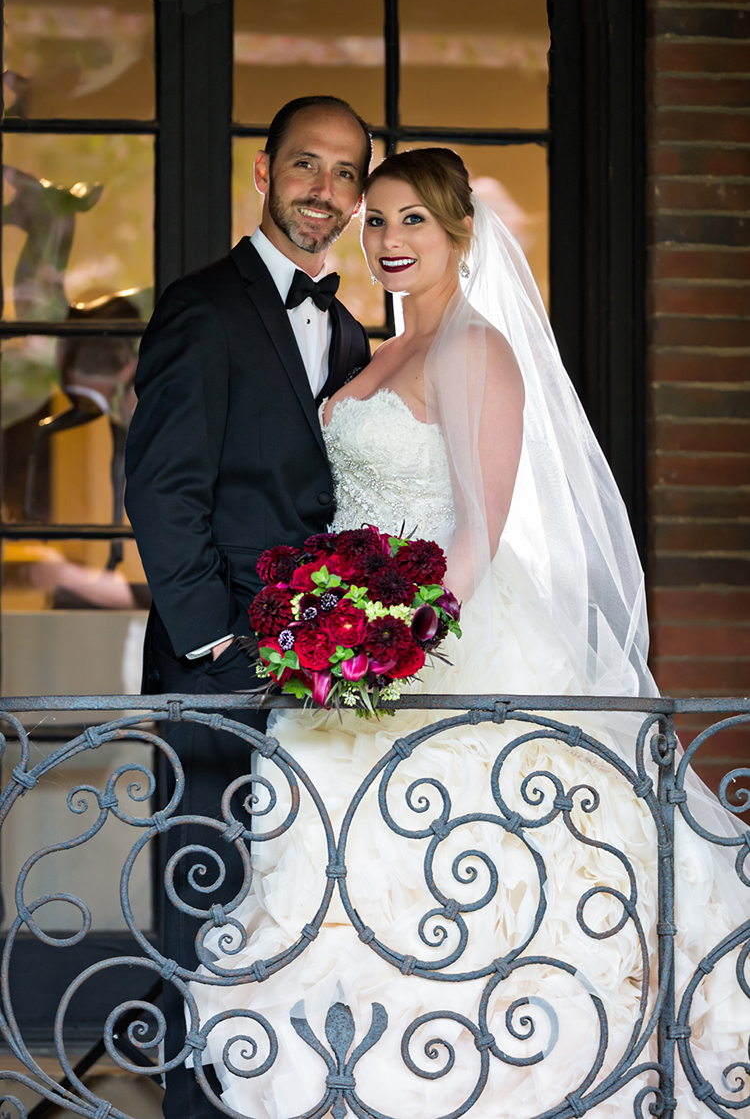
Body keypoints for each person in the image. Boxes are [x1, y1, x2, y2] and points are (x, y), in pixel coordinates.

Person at [187, 150, 749, 1117]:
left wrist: (392, 642)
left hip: (438, 633)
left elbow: (479, 529)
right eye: (378, 222)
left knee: (471, 874)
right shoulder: (383, 348)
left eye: (414, 222)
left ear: (459, 237)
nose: (390, 241)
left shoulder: (475, 348)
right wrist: (332, 626)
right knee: (334, 880)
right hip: (355, 643)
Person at [123, 96, 373, 1118]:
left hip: (326, 689)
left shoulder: (356, 335)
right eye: (306, 166)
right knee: (205, 914)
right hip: (214, 672)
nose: (326, 190)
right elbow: (163, 488)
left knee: (293, 918)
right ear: (264, 175)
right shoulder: (202, 306)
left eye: (347, 173)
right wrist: (220, 645)